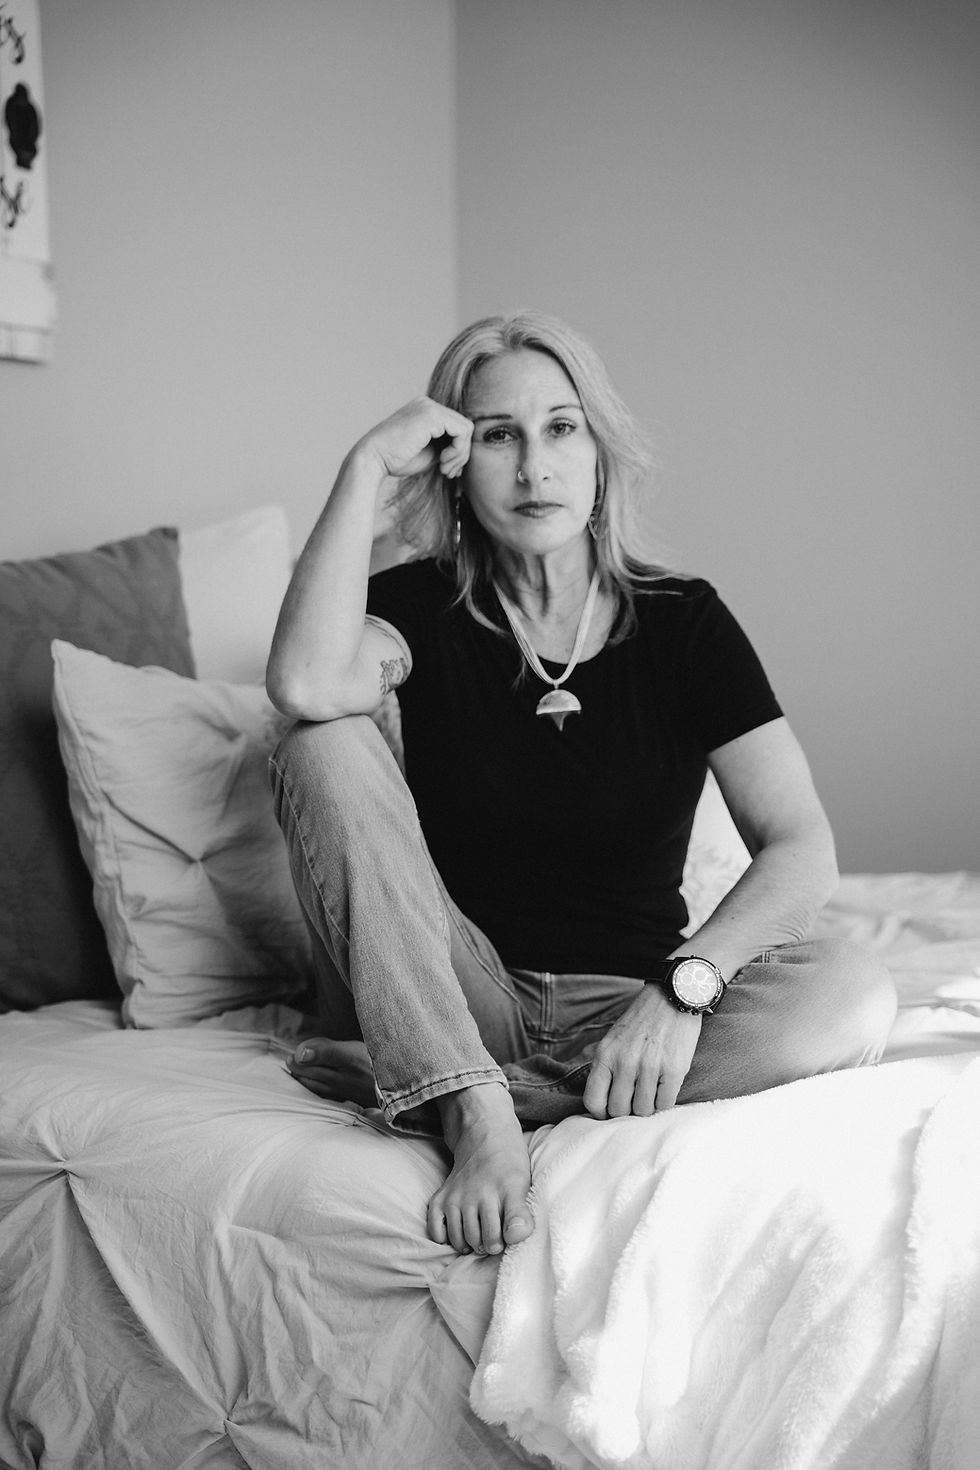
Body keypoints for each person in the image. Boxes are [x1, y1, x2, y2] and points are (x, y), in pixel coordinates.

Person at [265, 310, 896, 1260]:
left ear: (600, 449)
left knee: (853, 990)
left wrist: (684, 993)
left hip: (632, 1001)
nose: (535, 468)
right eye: (497, 436)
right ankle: (471, 1106)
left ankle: (449, 1086)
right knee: (320, 742)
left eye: (562, 428)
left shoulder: (683, 620)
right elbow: (306, 686)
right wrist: (362, 467)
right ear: (451, 459)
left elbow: (802, 845)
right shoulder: (416, 606)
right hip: (458, 985)